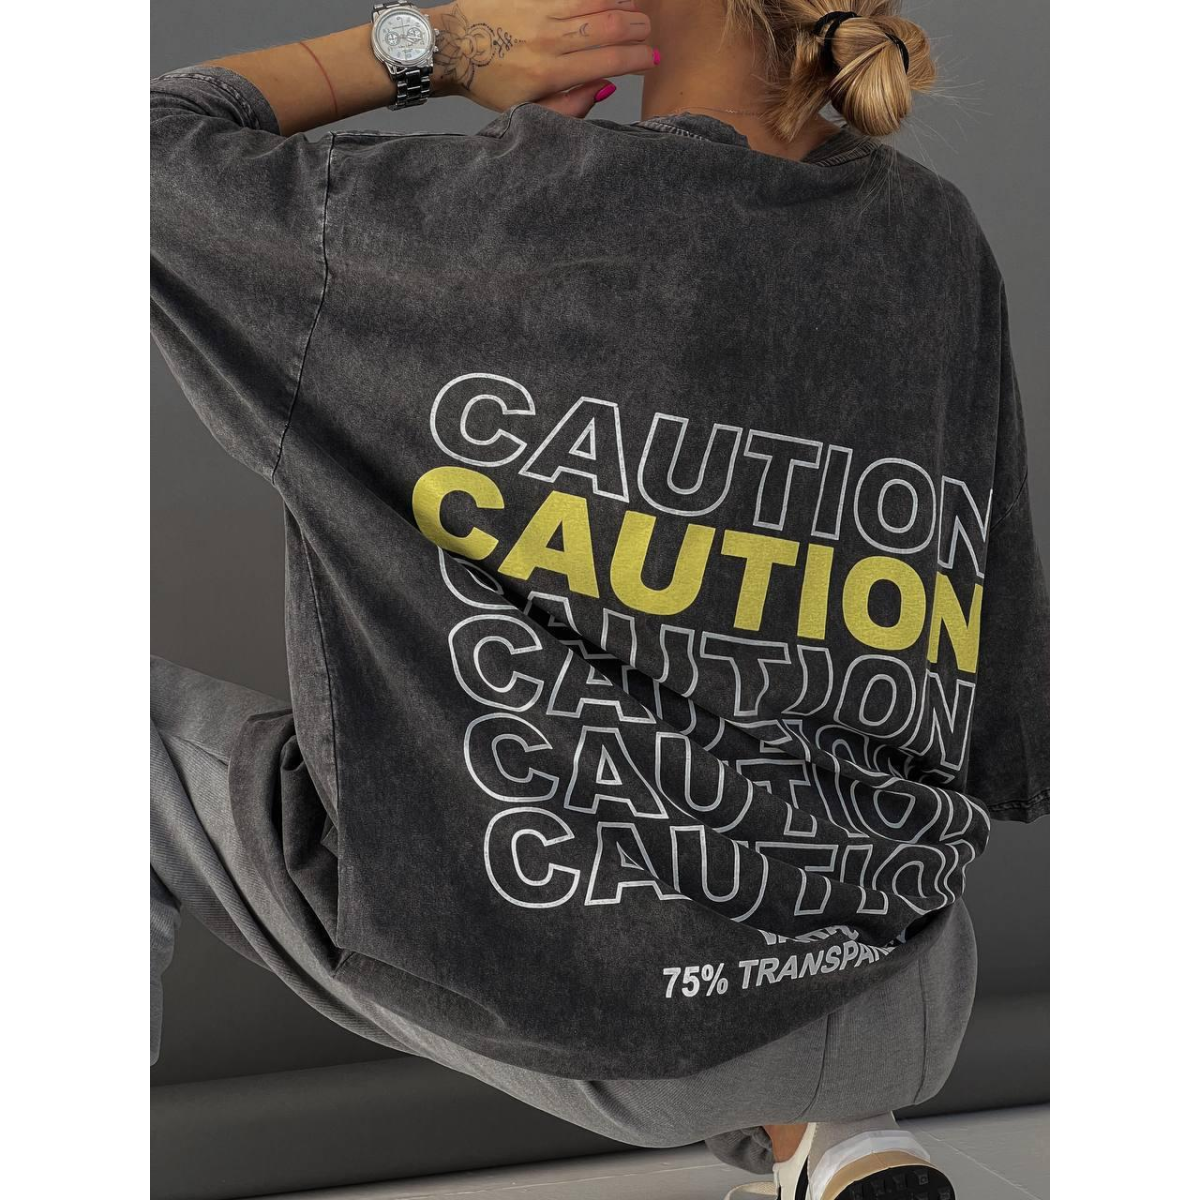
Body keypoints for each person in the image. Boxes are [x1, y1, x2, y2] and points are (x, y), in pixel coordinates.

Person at [149, 2, 1049, 1197]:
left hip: (596, 1000)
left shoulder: (488, 214)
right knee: (762, 678)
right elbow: (988, 653)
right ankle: (838, 1141)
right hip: (897, 974)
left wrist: (428, 48)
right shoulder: (934, 233)